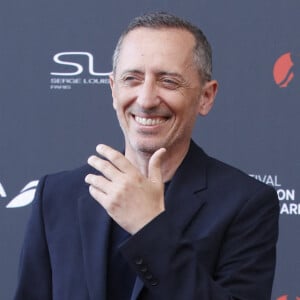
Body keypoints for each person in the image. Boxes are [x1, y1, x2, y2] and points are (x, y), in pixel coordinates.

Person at [14, 12, 279, 300]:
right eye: (132, 79)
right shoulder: (56, 196)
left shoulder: (246, 205)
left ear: (206, 97)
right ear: (113, 89)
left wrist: (149, 228)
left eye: (168, 81)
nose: (147, 99)